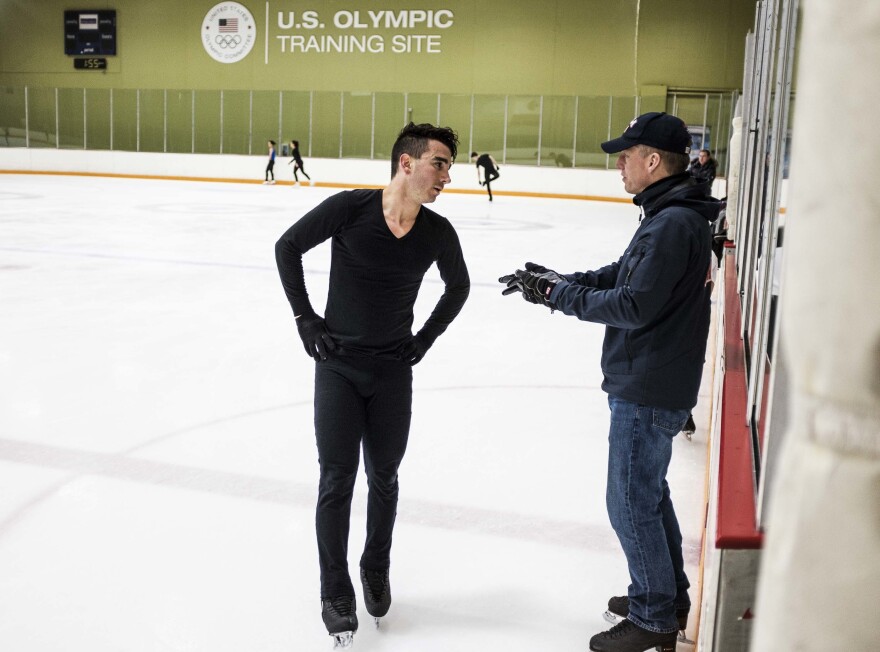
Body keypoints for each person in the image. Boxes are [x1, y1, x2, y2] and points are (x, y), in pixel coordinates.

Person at [499, 112, 720, 652]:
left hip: (648, 383)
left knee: (629, 502)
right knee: (649, 495)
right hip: (655, 377)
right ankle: (667, 598)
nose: (618, 164)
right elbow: (622, 274)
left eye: (626, 155)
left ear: (652, 161)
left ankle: (652, 618)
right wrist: (560, 279)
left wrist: (556, 297)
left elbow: (631, 303)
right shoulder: (668, 214)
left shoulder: (671, 223)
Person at [275, 122, 470, 648]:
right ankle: (334, 588)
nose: (447, 175)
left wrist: (423, 340)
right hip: (337, 366)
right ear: (407, 164)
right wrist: (305, 320)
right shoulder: (351, 208)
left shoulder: (436, 232)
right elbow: (287, 246)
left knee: (384, 476)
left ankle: (374, 567)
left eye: (449, 165)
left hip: (392, 373)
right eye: (440, 163)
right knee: (337, 479)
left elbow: (460, 287)